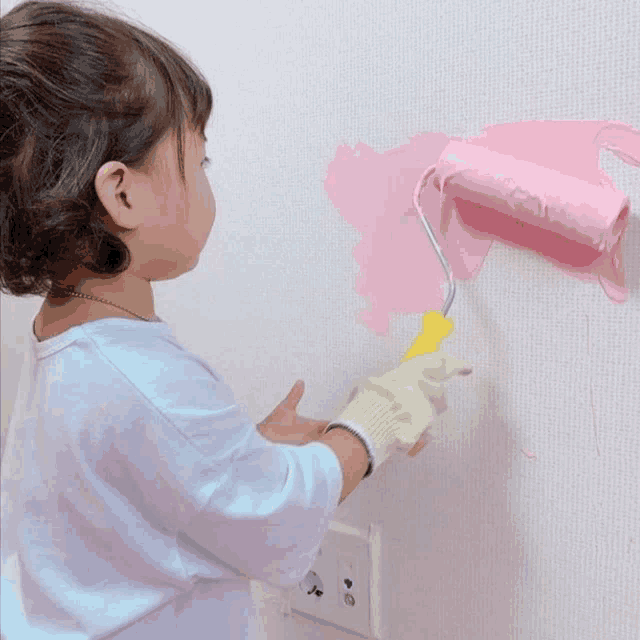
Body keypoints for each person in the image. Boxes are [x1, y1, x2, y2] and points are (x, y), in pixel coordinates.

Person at [0, 2, 472, 638]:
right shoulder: (142, 378)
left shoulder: (64, 346)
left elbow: (131, 491)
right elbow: (275, 512)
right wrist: (374, 425)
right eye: (198, 162)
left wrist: (238, 455)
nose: (205, 180)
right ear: (122, 194)